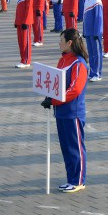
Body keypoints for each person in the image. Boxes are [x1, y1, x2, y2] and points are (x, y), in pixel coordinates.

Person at [40, 28, 89, 193]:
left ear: (70, 42)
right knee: (66, 147)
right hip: (61, 111)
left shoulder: (78, 63)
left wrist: (54, 100)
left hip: (72, 112)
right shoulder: (63, 60)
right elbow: (56, 83)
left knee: (75, 147)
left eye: (61, 40)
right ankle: (71, 179)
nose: (59, 43)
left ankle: (78, 180)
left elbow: (74, 89)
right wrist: (49, 97)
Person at [81, 0, 104, 82]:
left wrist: (97, 32)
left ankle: (97, 73)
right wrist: (84, 31)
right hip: (88, 31)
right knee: (91, 53)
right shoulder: (87, 0)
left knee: (97, 53)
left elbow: (98, 18)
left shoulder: (96, 1)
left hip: (95, 33)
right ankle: (92, 72)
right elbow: (85, 17)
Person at [13, 0, 33, 68]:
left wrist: (26, 22)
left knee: (26, 42)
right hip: (20, 21)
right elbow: (18, 9)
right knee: (21, 42)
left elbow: (28, 10)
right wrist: (16, 21)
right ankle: (22, 59)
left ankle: (26, 60)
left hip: (25, 22)